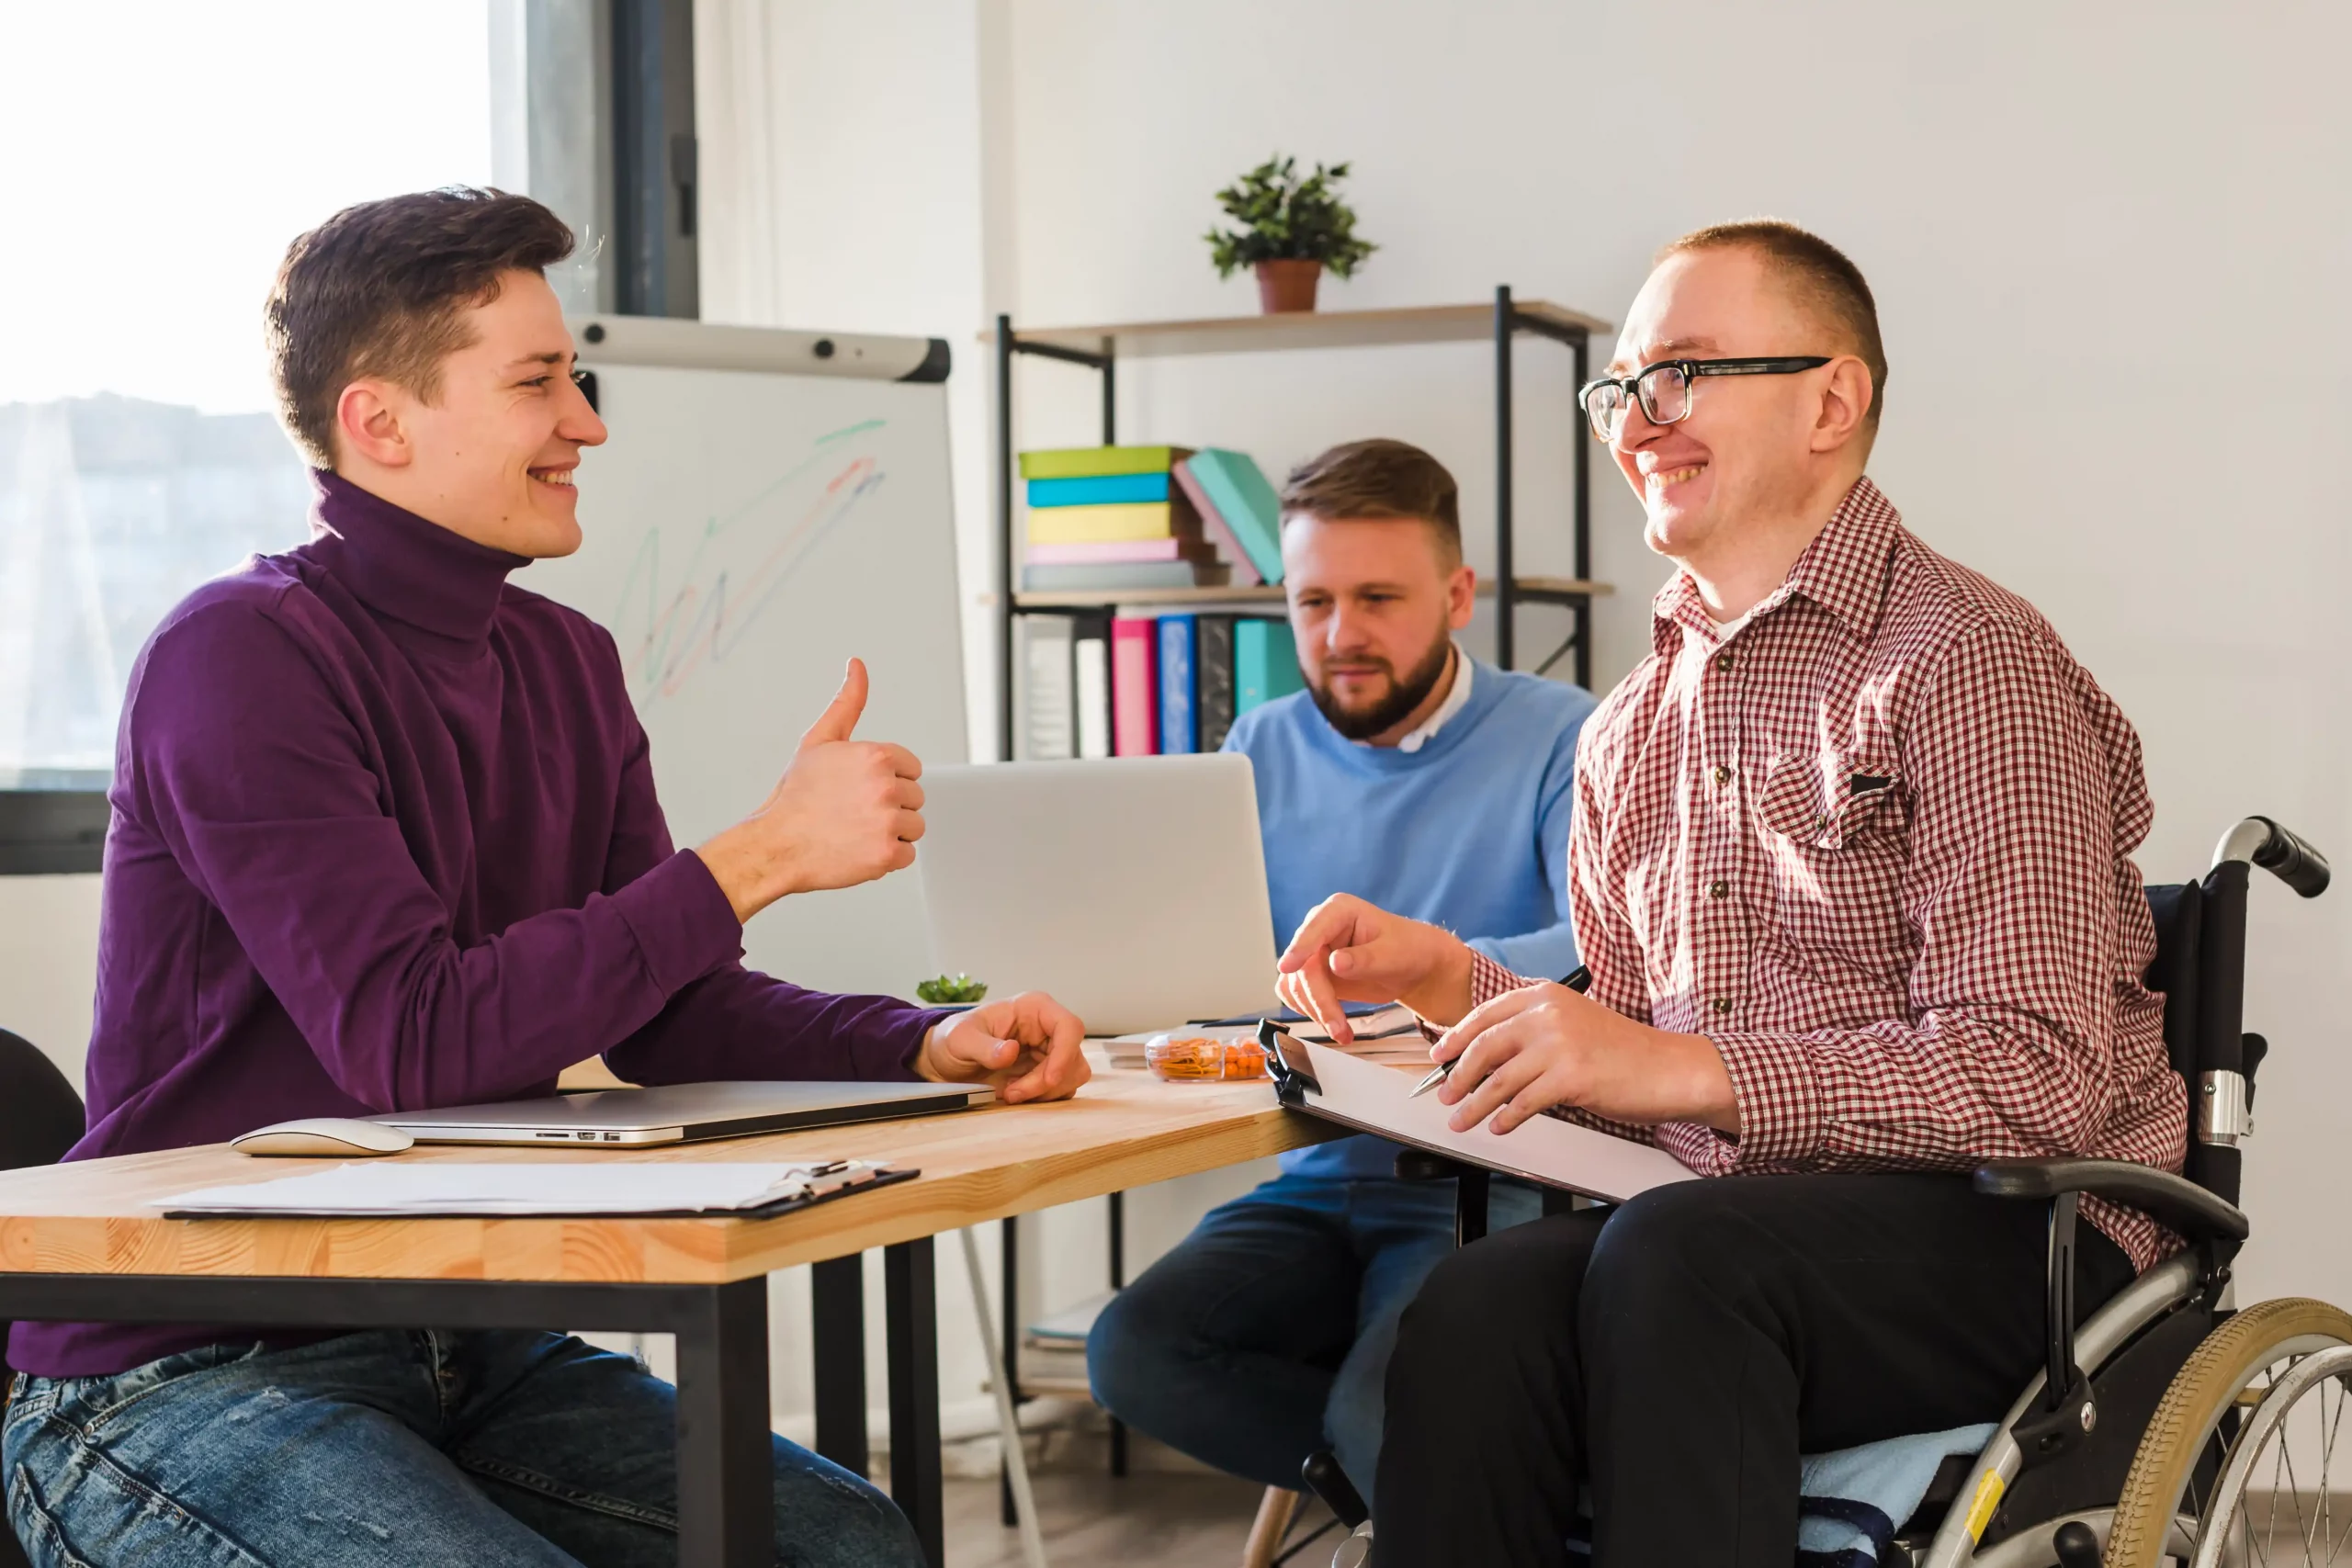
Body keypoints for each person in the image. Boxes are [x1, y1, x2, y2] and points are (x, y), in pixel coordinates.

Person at [1, 188, 1089, 1568]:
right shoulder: (239, 655)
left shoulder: (565, 662)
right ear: (379, 421)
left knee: (850, 1542)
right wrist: (761, 852)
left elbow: (672, 1013)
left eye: (575, 375)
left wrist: (926, 1040)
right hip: (186, 1369)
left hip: (471, 1344)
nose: (587, 420)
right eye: (537, 382)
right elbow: (413, 1037)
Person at [1275, 222, 2186, 1566]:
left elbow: (2037, 1070)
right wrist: (1447, 979)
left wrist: (1681, 1070)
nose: (1640, 420)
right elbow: (1629, 1054)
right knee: (1470, 1308)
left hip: (2021, 1228)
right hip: (1733, 1227)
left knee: (1676, 1255)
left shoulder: (1968, 662)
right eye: (1623, 387)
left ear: (1833, 398)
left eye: (1685, 372)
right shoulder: (1630, 728)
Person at [1087, 439, 1598, 1506]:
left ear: (1457, 595)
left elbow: (1601, 953)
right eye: (1311, 600)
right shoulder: (1258, 745)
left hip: (1491, 1174)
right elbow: (1225, 970)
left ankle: (1414, 1482)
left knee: (1396, 1411)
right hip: (1318, 1163)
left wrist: (1428, 969)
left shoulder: (1568, 737)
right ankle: (1402, 1496)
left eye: (1377, 597)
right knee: (1134, 1350)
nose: (1340, 636)